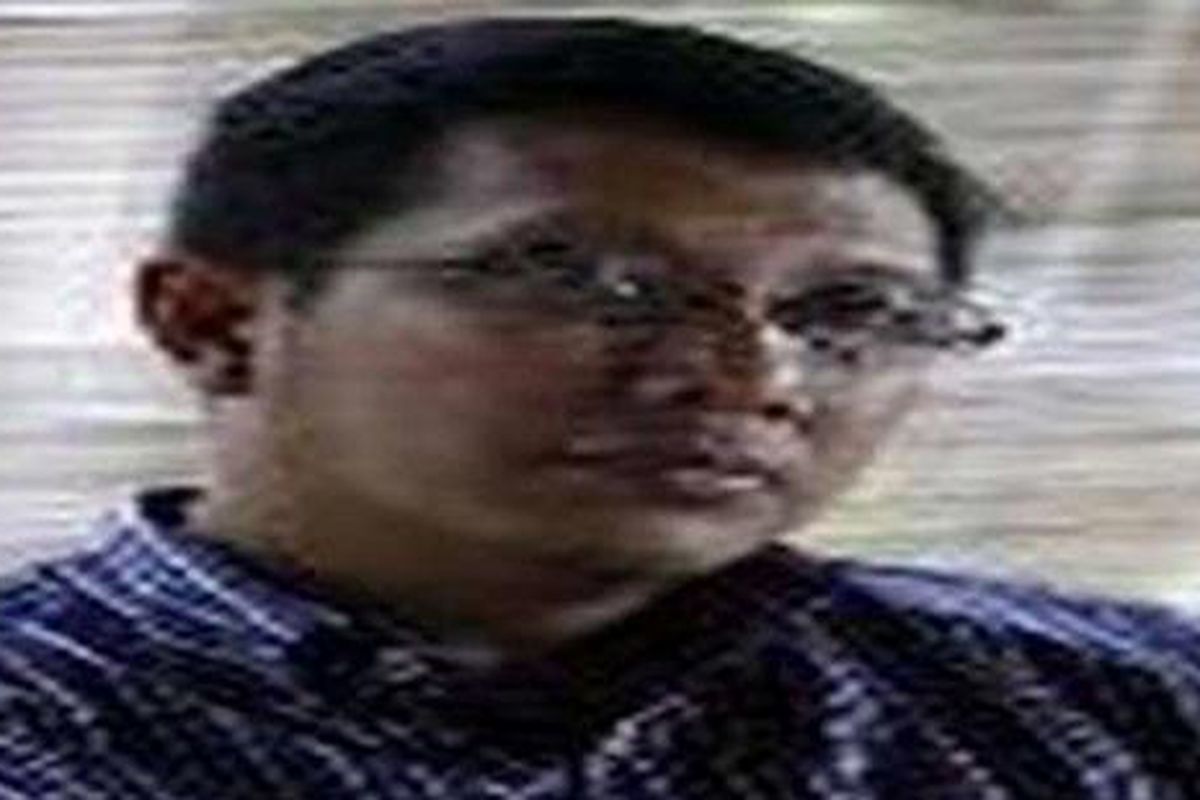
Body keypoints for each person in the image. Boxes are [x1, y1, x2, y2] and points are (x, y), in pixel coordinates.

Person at [1, 16, 1197, 799]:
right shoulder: (48, 729)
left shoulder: (1104, 693)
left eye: (853, 311)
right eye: (590, 283)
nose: (750, 375)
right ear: (216, 323)